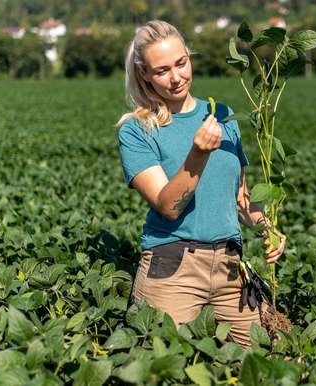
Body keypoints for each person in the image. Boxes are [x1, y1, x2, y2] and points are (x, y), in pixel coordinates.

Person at [116, 20, 286, 349]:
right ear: (144, 74)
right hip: (173, 265)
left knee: (275, 352)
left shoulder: (222, 115)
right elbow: (168, 206)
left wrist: (266, 227)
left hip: (229, 266)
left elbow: (241, 197)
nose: (176, 77)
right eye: (162, 70)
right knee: (164, 362)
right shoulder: (136, 131)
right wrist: (198, 153)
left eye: (181, 63)